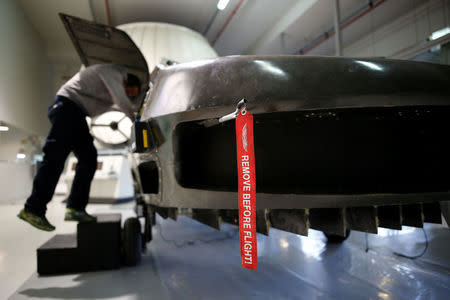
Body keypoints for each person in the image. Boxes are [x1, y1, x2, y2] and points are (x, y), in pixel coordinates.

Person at [18, 64, 142, 231]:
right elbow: (121, 100)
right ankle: (33, 209)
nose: (130, 96)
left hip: (76, 113)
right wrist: (138, 119)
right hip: (67, 108)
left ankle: (75, 208)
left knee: (89, 159)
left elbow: (114, 103)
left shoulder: (110, 83)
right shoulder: (115, 73)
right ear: (127, 82)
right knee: (54, 158)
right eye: (130, 92)